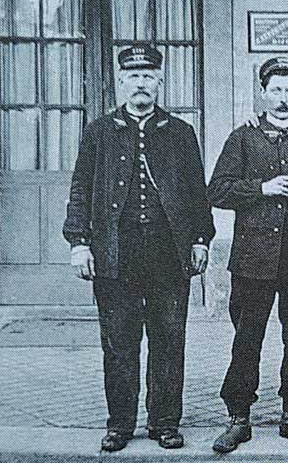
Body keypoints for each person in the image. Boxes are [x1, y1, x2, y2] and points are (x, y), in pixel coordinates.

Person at [64, 44, 214, 452]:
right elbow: (79, 189)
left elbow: (197, 194)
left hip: (169, 254)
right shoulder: (98, 131)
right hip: (116, 254)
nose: (141, 83)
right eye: (133, 76)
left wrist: (200, 240)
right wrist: (80, 243)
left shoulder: (181, 133)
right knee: (119, 341)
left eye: (149, 75)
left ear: (160, 82)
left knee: (168, 338)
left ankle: (165, 422)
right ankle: (120, 424)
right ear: (120, 82)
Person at [207, 57, 288, 451]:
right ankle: (238, 417)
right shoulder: (242, 138)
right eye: (275, 90)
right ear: (263, 93)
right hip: (253, 258)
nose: (282, 98)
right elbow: (216, 190)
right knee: (248, 338)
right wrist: (262, 188)